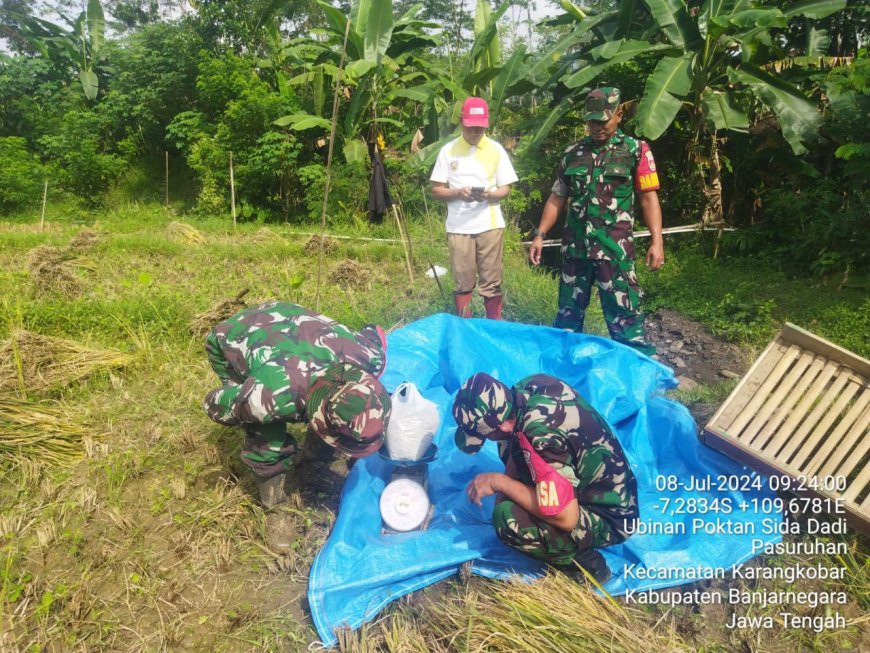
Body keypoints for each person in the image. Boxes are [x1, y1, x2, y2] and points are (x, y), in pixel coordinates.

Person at [453, 372, 639, 584]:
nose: (486, 440)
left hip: (610, 515)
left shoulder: (541, 438)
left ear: (502, 425)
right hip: (603, 483)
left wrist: (499, 483)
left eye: (485, 435)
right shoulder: (528, 388)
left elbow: (566, 518)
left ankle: (586, 565)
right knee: (509, 445)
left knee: (508, 521)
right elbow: (515, 443)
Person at [203, 301, 391, 508]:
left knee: (286, 412)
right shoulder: (271, 397)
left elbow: (375, 331)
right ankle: (274, 505)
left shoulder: (370, 356)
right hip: (233, 336)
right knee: (266, 435)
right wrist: (243, 404)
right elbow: (214, 403)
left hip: (289, 317)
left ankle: (312, 461)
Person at [529, 87, 664, 356]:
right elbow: (557, 197)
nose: (597, 127)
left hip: (615, 252)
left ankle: (636, 379)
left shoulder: (636, 150)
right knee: (566, 322)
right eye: (591, 121)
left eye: (603, 120)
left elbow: (649, 199)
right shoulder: (572, 153)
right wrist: (540, 234)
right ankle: (561, 377)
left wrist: (656, 241)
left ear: (619, 115)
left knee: (626, 323)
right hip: (575, 251)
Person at [430, 96, 518, 320]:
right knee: (463, 280)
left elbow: (506, 188)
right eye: (471, 127)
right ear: (461, 122)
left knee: (492, 280)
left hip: (489, 224)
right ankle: (464, 326)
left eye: (480, 128)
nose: (476, 132)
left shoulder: (496, 150)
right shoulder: (448, 151)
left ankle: (494, 326)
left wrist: (491, 195)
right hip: (458, 226)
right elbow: (437, 190)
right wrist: (458, 193)